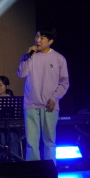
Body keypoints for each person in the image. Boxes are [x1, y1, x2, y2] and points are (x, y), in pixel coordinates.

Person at [17, 27, 69, 163]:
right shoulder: (29, 56)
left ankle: (50, 171)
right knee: (31, 142)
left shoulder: (59, 58)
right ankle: (33, 171)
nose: (38, 40)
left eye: (42, 37)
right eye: (37, 36)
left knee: (49, 141)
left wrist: (54, 98)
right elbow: (21, 73)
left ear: (50, 41)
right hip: (31, 104)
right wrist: (28, 56)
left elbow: (64, 83)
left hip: (49, 105)